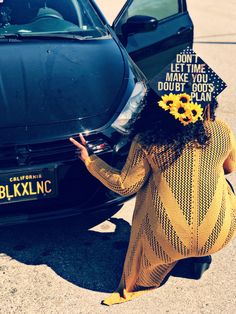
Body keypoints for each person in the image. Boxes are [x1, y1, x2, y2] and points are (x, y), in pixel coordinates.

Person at [69, 88, 236, 306]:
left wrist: (91, 161)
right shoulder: (222, 131)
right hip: (218, 236)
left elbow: (126, 186)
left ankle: (159, 265)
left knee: (148, 186)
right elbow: (230, 168)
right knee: (224, 186)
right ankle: (196, 252)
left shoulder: (148, 139)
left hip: (166, 241)